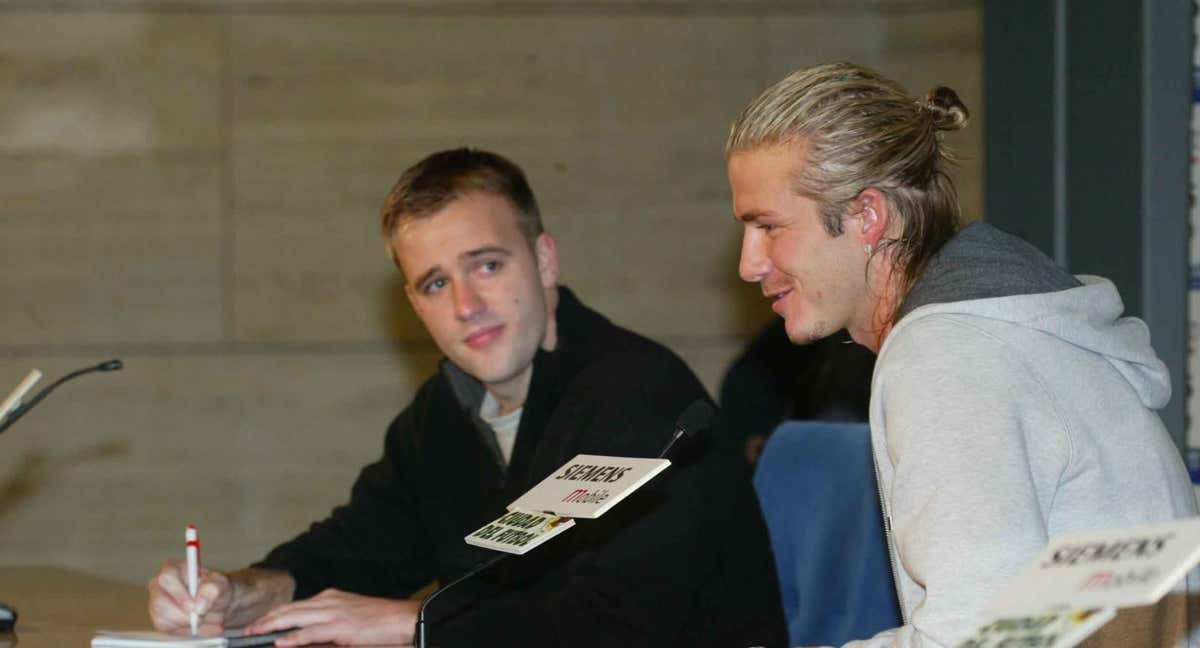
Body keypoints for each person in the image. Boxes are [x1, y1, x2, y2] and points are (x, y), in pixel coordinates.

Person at [147, 148, 786, 647]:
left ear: (543, 260)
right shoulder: (443, 415)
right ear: (413, 306)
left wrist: (414, 626)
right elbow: (354, 551)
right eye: (434, 283)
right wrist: (239, 593)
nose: (466, 307)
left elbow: (617, 622)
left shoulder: (642, 396)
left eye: (486, 265)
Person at [724, 62, 1197, 647]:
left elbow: (972, 641)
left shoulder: (948, 355)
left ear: (867, 217)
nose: (749, 263)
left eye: (768, 226)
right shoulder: (996, 326)